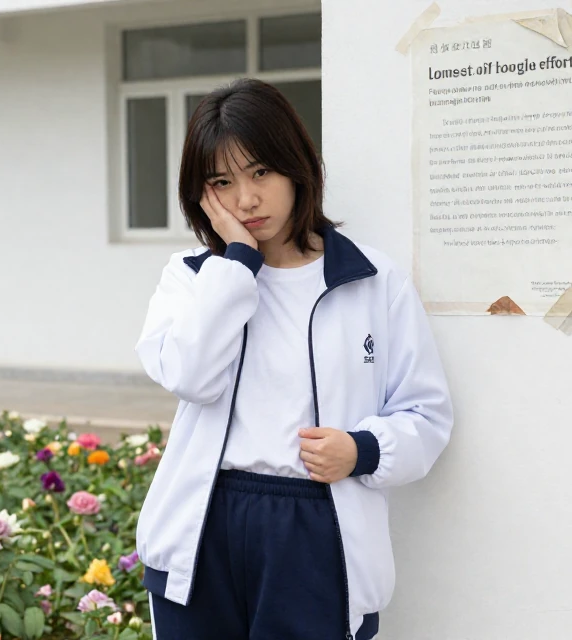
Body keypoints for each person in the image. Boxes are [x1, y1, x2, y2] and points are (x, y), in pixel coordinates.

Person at [132, 78, 454, 640]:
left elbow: (426, 414)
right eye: (222, 182)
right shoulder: (191, 279)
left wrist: (363, 449)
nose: (247, 199)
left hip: (315, 524)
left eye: (261, 173)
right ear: (201, 193)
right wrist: (236, 265)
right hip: (206, 520)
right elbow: (191, 378)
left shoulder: (372, 282)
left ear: (296, 167)